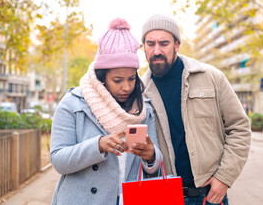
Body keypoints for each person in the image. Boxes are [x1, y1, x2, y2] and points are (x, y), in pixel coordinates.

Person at [140, 14, 251, 205]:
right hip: (163, 196)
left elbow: (239, 128)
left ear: (176, 45)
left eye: (164, 43)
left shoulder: (212, 77)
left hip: (209, 195)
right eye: (150, 44)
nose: (156, 50)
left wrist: (224, 177)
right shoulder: (140, 91)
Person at [50, 18, 162, 205]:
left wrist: (151, 156)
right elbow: (58, 160)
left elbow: (155, 166)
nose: (126, 87)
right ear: (101, 77)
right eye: (117, 80)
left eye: (131, 79)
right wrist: (98, 145)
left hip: (132, 198)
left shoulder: (144, 108)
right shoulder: (74, 104)